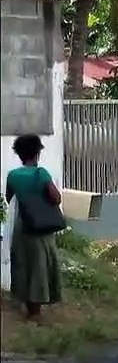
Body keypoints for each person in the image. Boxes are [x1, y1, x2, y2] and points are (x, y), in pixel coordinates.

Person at [4, 135, 63, 323]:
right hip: (41, 227)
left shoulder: (13, 175)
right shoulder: (41, 173)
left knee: (24, 264)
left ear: (19, 154)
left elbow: (9, 198)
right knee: (40, 266)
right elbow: (56, 198)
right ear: (37, 153)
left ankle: (28, 306)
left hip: (22, 226)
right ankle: (35, 313)